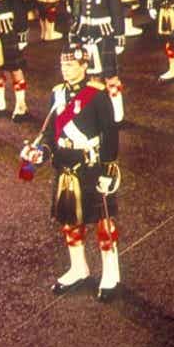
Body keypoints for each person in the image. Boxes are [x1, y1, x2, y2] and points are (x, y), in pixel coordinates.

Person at [20, 44, 122, 300]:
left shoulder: (97, 95)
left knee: (104, 225)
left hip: (91, 167)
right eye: (63, 65)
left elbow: (110, 134)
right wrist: (40, 151)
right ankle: (79, 268)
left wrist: (108, 169)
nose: (66, 69)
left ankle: (111, 273)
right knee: (70, 224)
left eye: (72, 65)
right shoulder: (57, 94)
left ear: (84, 66)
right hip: (65, 166)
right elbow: (50, 131)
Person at [67, 0, 127, 125]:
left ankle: (118, 113)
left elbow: (117, 15)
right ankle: (94, 113)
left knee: (110, 76)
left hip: (104, 36)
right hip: (86, 35)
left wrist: (119, 38)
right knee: (91, 77)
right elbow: (76, 15)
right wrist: (74, 34)